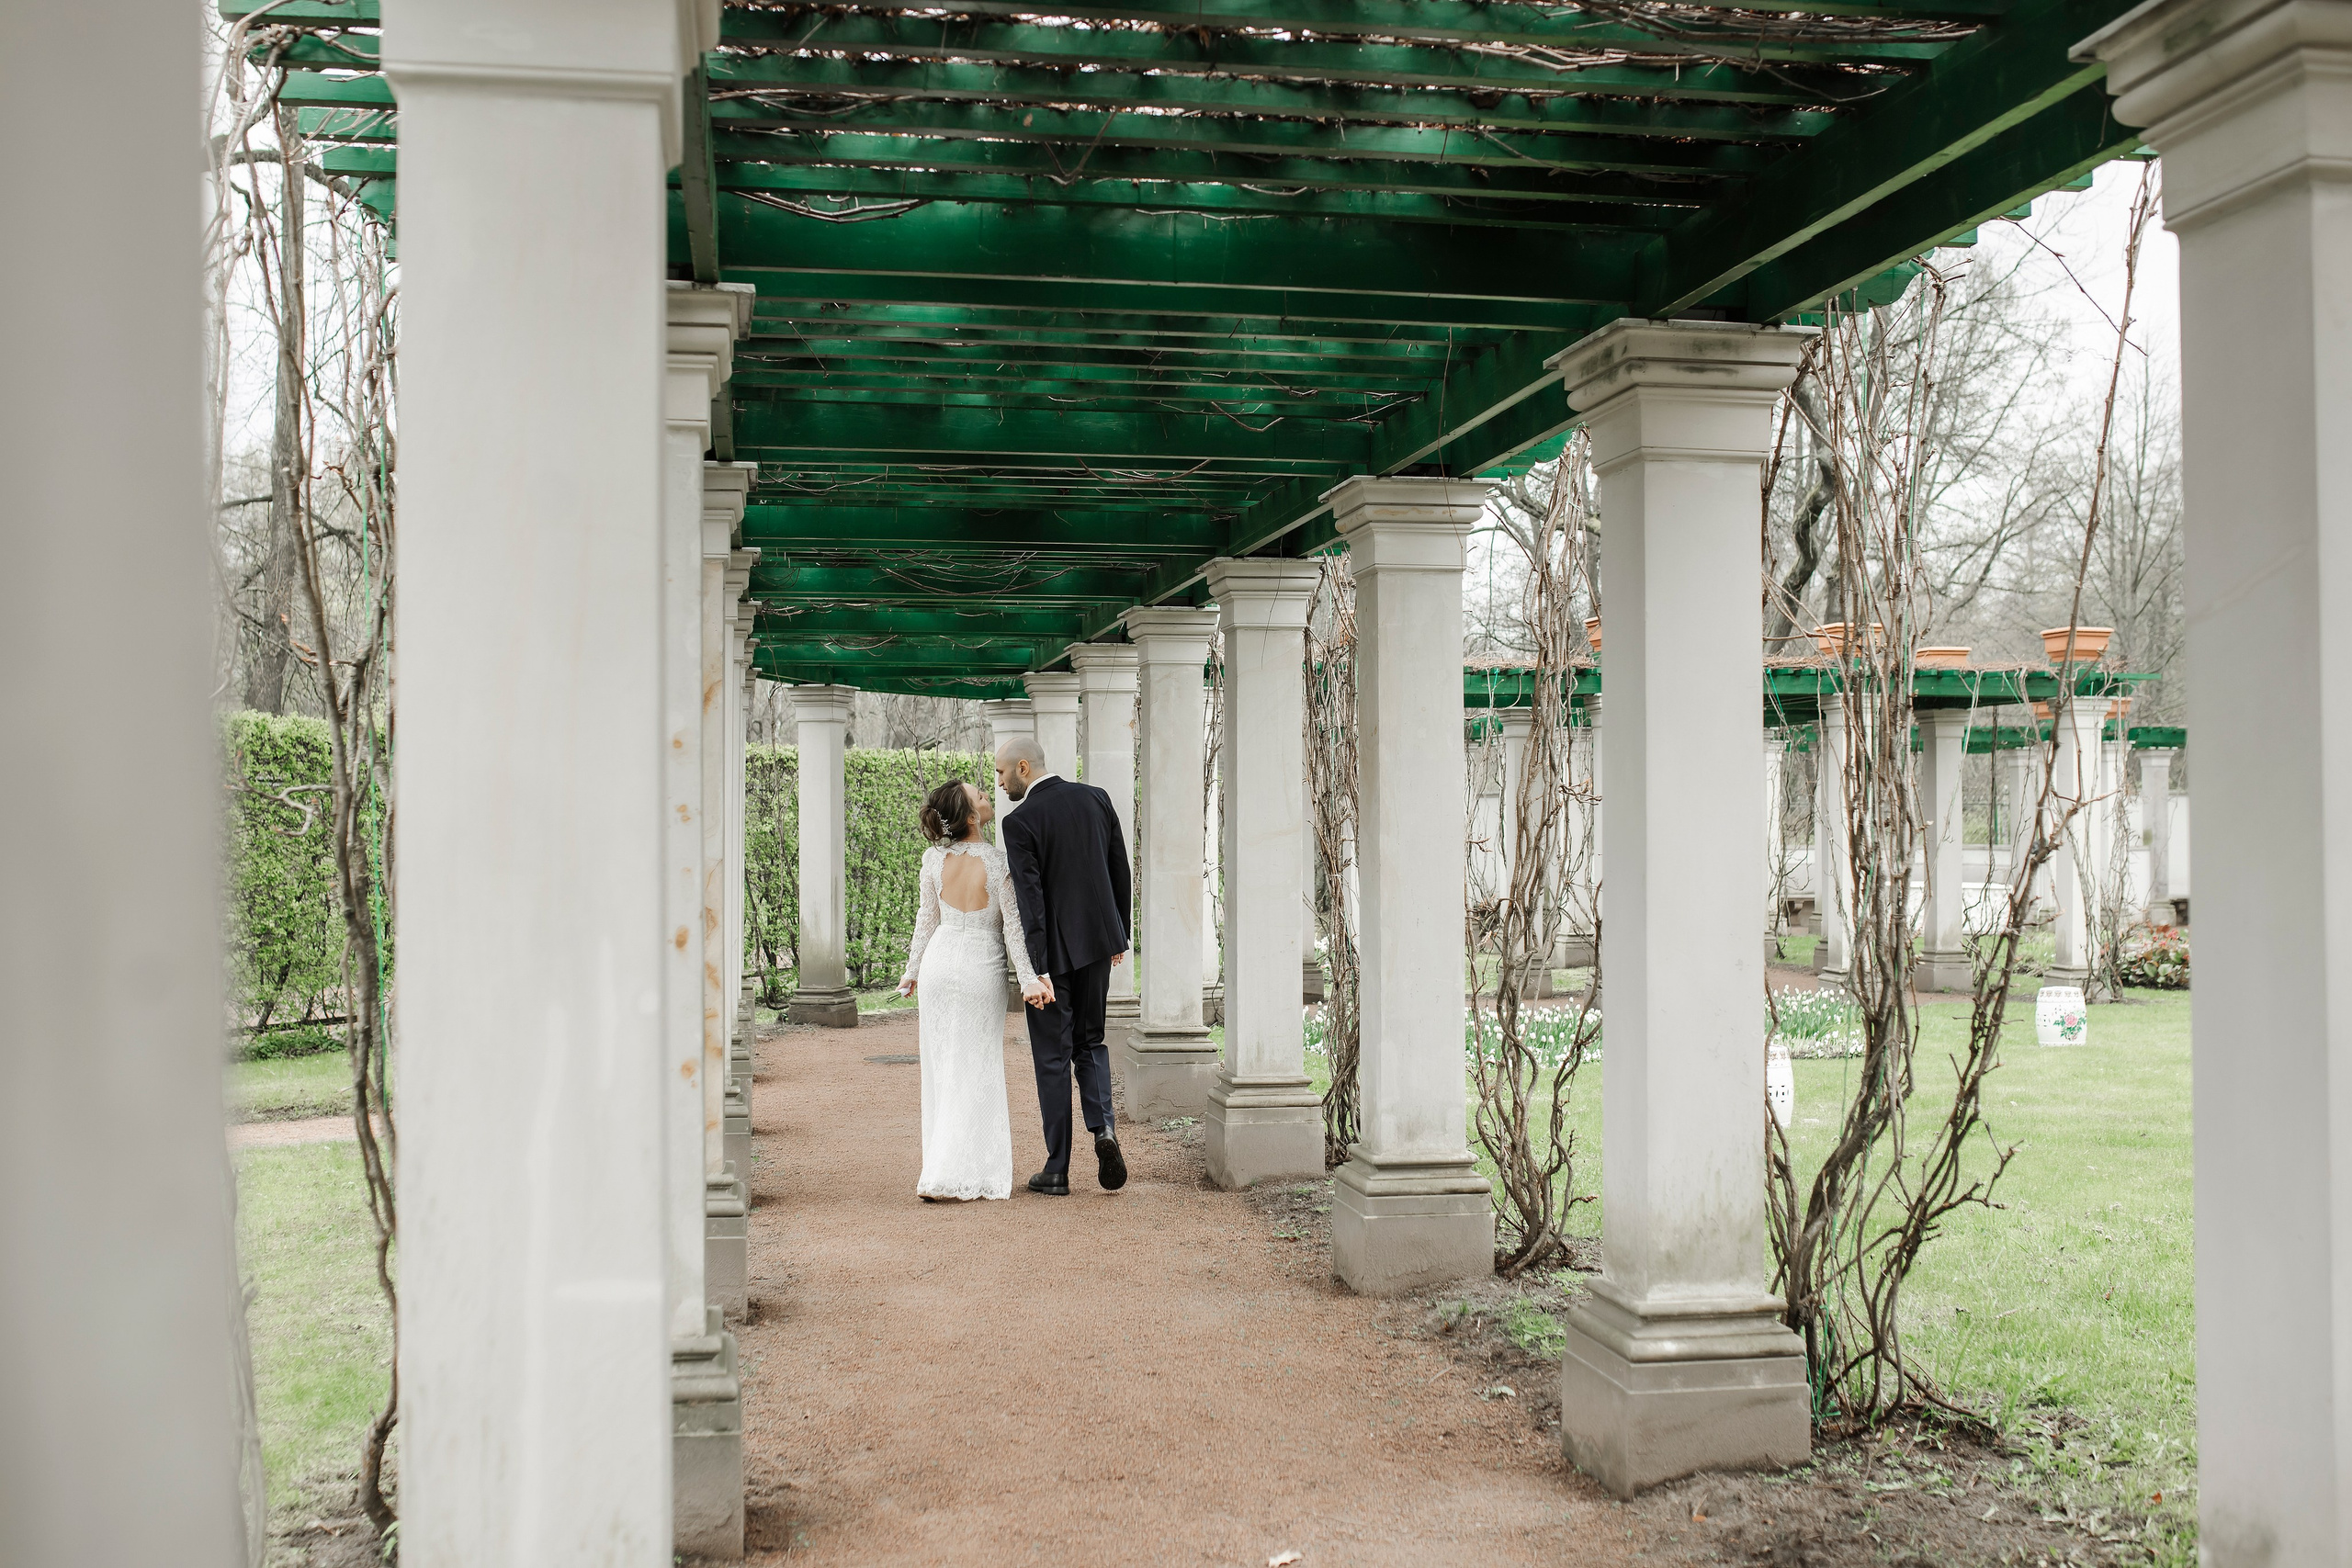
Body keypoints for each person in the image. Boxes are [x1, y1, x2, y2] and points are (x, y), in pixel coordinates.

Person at [995, 734, 1132, 1196]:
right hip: (1097, 945)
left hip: (1052, 956)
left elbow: (1031, 901)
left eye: (1000, 772)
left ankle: (1057, 1169)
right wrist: (1120, 934)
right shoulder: (1096, 799)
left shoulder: (1019, 822)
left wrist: (1036, 968)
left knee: (1052, 1057)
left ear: (1023, 769)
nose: (998, 783)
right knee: (1091, 1041)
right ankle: (1105, 1130)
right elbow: (1119, 868)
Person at [894, 779, 1032, 1202]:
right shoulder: (998, 862)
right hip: (979, 969)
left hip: (939, 964)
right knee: (978, 1065)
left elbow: (926, 919)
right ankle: (972, 1170)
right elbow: (1013, 929)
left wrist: (911, 970)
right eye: (981, 797)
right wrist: (1027, 978)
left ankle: (939, 1167)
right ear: (971, 817)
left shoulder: (932, 861)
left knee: (941, 1067)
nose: (989, 796)